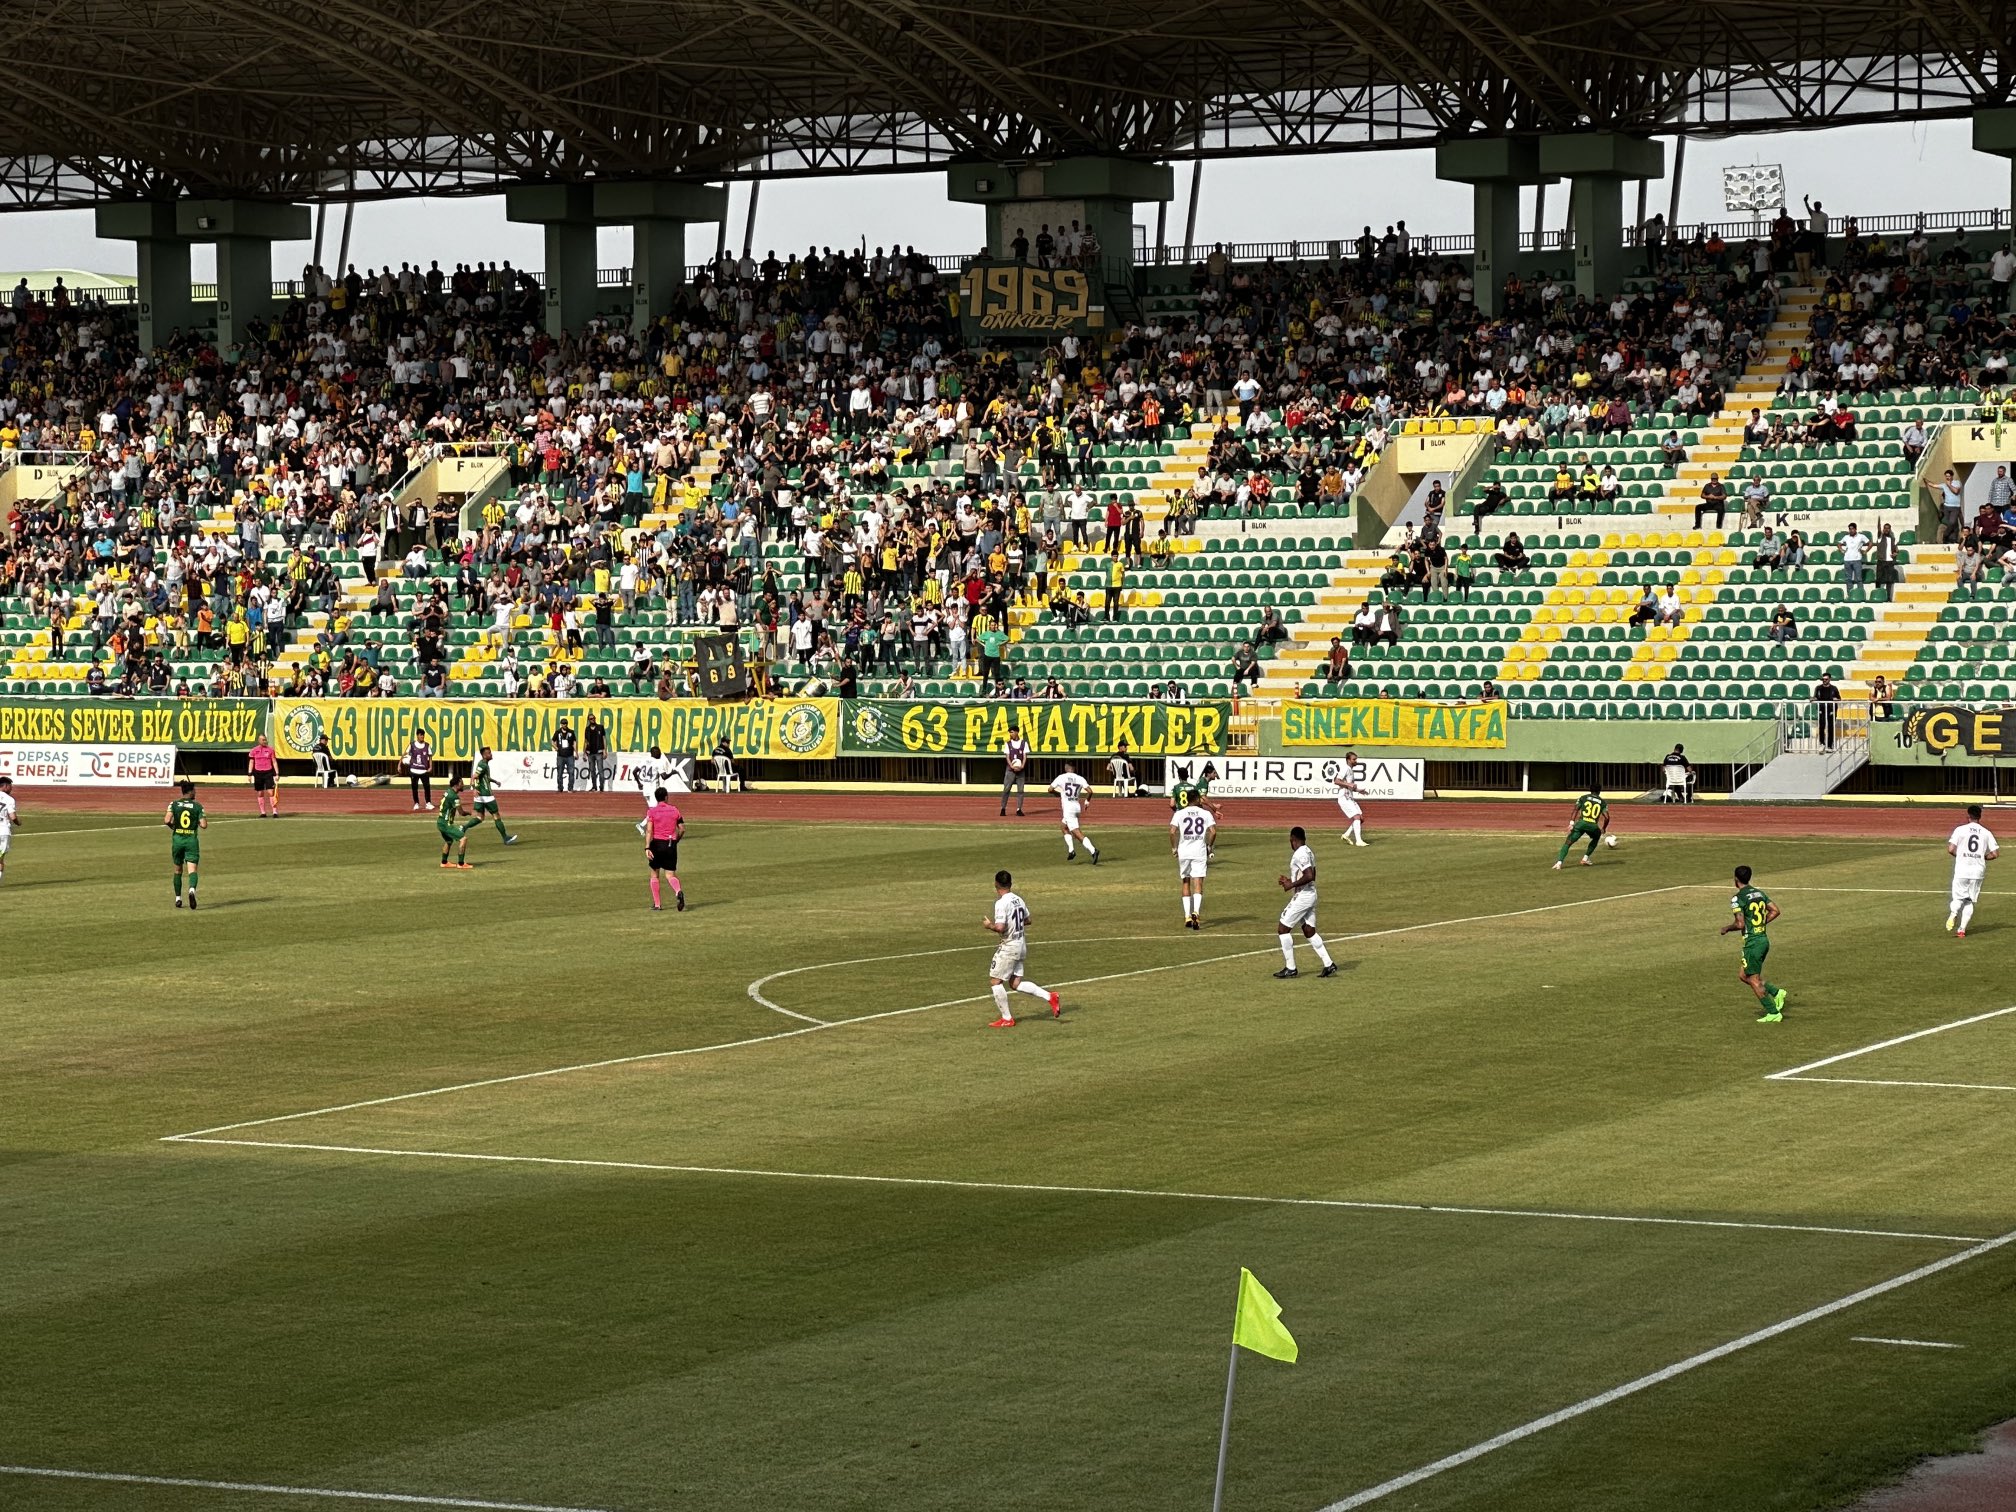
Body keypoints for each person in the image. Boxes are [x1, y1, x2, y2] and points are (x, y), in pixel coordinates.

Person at [982, 869, 1061, 1027]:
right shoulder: (1019, 899)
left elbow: (1000, 927)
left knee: (995, 981)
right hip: (1021, 944)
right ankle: (1050, 996)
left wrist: (989, 925)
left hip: (1009, 946)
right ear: (1010, 884)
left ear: (996, 884)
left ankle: (1007, 1018)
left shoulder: (1001, 903)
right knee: (1015, 983)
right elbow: (1028, 920)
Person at [1720, 864, 1787, 1022]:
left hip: (1753, 943)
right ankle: (1777, 993)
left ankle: (1773, 1012)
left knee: (1753, 979)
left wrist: (1727, 928)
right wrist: (1760, 924)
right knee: (1744, 975)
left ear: (1736, 879)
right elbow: (1775, 910)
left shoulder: (1738, 898)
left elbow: (1740, 924)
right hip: (1763, 939)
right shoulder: (1759, 893)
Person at [1273, 826, 1339, 979]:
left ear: (1292, 839)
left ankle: (1291, 968)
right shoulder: (1308, 851)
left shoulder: (1300, 853)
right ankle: (1329, 964)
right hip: (1310, 893)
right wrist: (1291, 881)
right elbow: (1311, 873)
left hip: (1304, 896)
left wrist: (1291, 885)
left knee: (1283, 929)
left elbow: (1309, 875)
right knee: (1309, 930)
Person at [1946, 803, 2000, 938]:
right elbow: (1995, 854)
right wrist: (1982, 857)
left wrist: (1961, 856)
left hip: (1962, 869)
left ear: (1968, 816)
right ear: (1980, 817)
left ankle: (1953, 914)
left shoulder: (1960, 830)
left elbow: (1951, 849)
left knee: (1957, 898)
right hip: (1978, 871)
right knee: (1969, 901)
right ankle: (1962, 930)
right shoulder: (1986, 832)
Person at [1171, 793, 1216, 930]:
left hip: (1184, 851)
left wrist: (1174, 848)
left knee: (1185, 881)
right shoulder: (1205, 813)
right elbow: (1213, 832)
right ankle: (1196, 911)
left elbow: (1172, 831)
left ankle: (1187, 916)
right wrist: (1209, 846)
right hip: (1199, 851)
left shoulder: (1179, 813)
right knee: (1198, 882)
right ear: (1197, 799)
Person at [164, 778, 206, 908]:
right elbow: (204, 825)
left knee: (178, 870)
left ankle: (178, 898)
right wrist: (198, 821)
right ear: (191, 792)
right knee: (192, 870)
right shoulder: (198, 806)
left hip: (177, 840)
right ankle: (192, 890)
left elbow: (166, 820)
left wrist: (174, 827)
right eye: (194, 790)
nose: (195, 792)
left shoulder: (174, 804)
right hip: (191, 841)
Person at [644, 786, 687, 912]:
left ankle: (657, 904)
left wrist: (647, 847)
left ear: (656, 798)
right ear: (666, 797)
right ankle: (678, 891)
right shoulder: (674, 810)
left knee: (654, 874)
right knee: (670, 874)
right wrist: (676, 840)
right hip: (670, 844)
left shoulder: (652, 812)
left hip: (657, 844)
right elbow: (682, 828)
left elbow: (649, 830)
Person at [470, 745, 519, 845]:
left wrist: (495, 781)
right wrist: (474, 789)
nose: (491, 754)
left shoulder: (483, 764)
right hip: (486, 795)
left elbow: (484, 777)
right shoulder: (483, 765)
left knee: (480, 817)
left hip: (480, 796)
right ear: (484, 756)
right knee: (496, 816)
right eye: (488, 753)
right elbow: (474, 776)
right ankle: (506, 838)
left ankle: (463, 828)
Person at [1051, 762, 1099, 863]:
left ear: (1066, 767)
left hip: (1068, 808)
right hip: (1076, 806)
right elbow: (1090, 791)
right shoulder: (1080, 778)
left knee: (1076, 833)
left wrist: (1058, 794)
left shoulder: (1061, 777)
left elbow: (1050, 789)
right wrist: (1087, 801)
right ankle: (1071, 851)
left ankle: (1093, 850)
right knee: (1063, 827)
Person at [1552, 786, 1609, 869]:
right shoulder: (1602, 802)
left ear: (1590, 790)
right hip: (1592, 826)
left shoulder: (1583, 798)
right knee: (1596, 837)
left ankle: (1559, 863)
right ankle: (1585, 858)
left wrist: (1571, 823)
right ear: (1599, 791)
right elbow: (1607, 817)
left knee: (1568, 843)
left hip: (1581, 824)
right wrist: (1604, 828)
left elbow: (1576, 809)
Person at [634, 745, 679, 834]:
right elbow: (664, 776)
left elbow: (634, 771)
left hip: (645, 788)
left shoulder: (644, 760)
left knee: (652, 810)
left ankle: (645, 826)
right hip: (653, 789)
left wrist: (639, 783)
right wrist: (672, 772)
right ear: (655, 753)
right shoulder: (658, 763)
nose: (660, 754)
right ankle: (643, 826)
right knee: (654, 810)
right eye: (658, 752)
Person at [436, 776, 474, 870]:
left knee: (449, 841)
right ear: (457, 784)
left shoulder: (448, 792)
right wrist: (469, 813)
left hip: (440, 822)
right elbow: (461, 813)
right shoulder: (454, 796)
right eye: (461, 783)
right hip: (446, 824)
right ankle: (461, 864)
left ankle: (444, 862)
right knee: (463, 839)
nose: (463, 785)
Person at [1333, 750, 1369, 846]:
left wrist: (1359, 790)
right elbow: (1336, 781)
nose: (1356, 761)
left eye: (1356, 759)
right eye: (1354, 759)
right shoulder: (1345, 768)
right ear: (1348, 760)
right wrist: (1348, 784)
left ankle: (1346, 835)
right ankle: (1359, 841)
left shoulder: (1350, 770)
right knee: (1356, 817)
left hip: (1350, 797)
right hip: (1344, 798)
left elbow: (1350, 786)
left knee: (1360, 818)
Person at [247, 730, 279, 818]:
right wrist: (249, 774)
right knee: (260, 793)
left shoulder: (270, 750)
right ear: (259, 741)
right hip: (258, 773)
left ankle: (275, 812)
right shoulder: (254, 750)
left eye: (265, 740)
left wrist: (277, 773)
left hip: (268, 772)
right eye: (263, 740)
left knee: (270, 792)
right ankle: (263, 812)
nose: (265, 741)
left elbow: (274, 762)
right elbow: (251, 762)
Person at [1000, 722, 1030, 816]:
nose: (1011, 734)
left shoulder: (1024, 743)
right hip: (1010, 770)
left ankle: (1019, 809)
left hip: (1020, 771)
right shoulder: (1008, 744)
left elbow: (1025, 756)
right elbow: (1007, 757)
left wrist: (1022, 766)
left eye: (1012, 732)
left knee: (1020, 790)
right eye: (1010, 732)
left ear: (1017, 732)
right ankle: (1003, 808)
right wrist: (1012, 766)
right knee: (1006, 789)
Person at [405, 730, 434, 810]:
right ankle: (416, 803)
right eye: (421, 735)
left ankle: (428, 803)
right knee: (414, 788)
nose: (422, 737)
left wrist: (430, 767)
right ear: (417, 735)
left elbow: (430, 756)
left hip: (424, 770)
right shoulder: (412, 745)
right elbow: (405, 754)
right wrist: (399, 764)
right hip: (414, 770)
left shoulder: (427, 745)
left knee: (427, 787)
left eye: (423, 735)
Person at [1813, 672, 1840, 750]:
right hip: (1821, 709)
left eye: (1826, 679)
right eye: (1823, 679)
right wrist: (1813, 699)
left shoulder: (1834, 688)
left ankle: (1830, 745)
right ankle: (1822, 743)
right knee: (1821, 726)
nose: (1824, 681)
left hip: (1831, 710)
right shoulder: (1818, 688)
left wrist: (1836, 699)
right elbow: (1815, 697)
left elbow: (1839, 698)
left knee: (1831, 727)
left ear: (1829, 679)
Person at [584, 714, 609, 793]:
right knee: (592, 770)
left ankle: (601, 787)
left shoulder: (600, 727)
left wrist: (605, 750)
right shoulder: (587, 729)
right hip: (590, 753)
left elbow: (604, 739)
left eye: (593, 718)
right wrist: (584, 752)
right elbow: (586, 741)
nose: (592, 720)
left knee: (600, 769)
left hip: (599, 752)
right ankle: (594, 786)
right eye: (591, 719)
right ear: (588, 720)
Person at [552, 720, 578, 792]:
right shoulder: (557, 732)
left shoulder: (571, 732)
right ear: (561, 724)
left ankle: (570, 788)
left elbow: (574, 742)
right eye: (563, 724)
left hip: (570, 755)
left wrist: (576, 752)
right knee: (560, 772)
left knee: (571, 772)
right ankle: (560, 787)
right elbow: (552, 741)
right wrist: (556, 748)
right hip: (560, 756)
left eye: (566, 723)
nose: (565, 725)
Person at [0, 775, 16, 884]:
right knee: (0, 859)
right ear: (5, 786)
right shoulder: (9, 799)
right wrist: (18, 822)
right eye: (10, 786)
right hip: (4, 832)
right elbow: (13, 817)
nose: (11, 789)